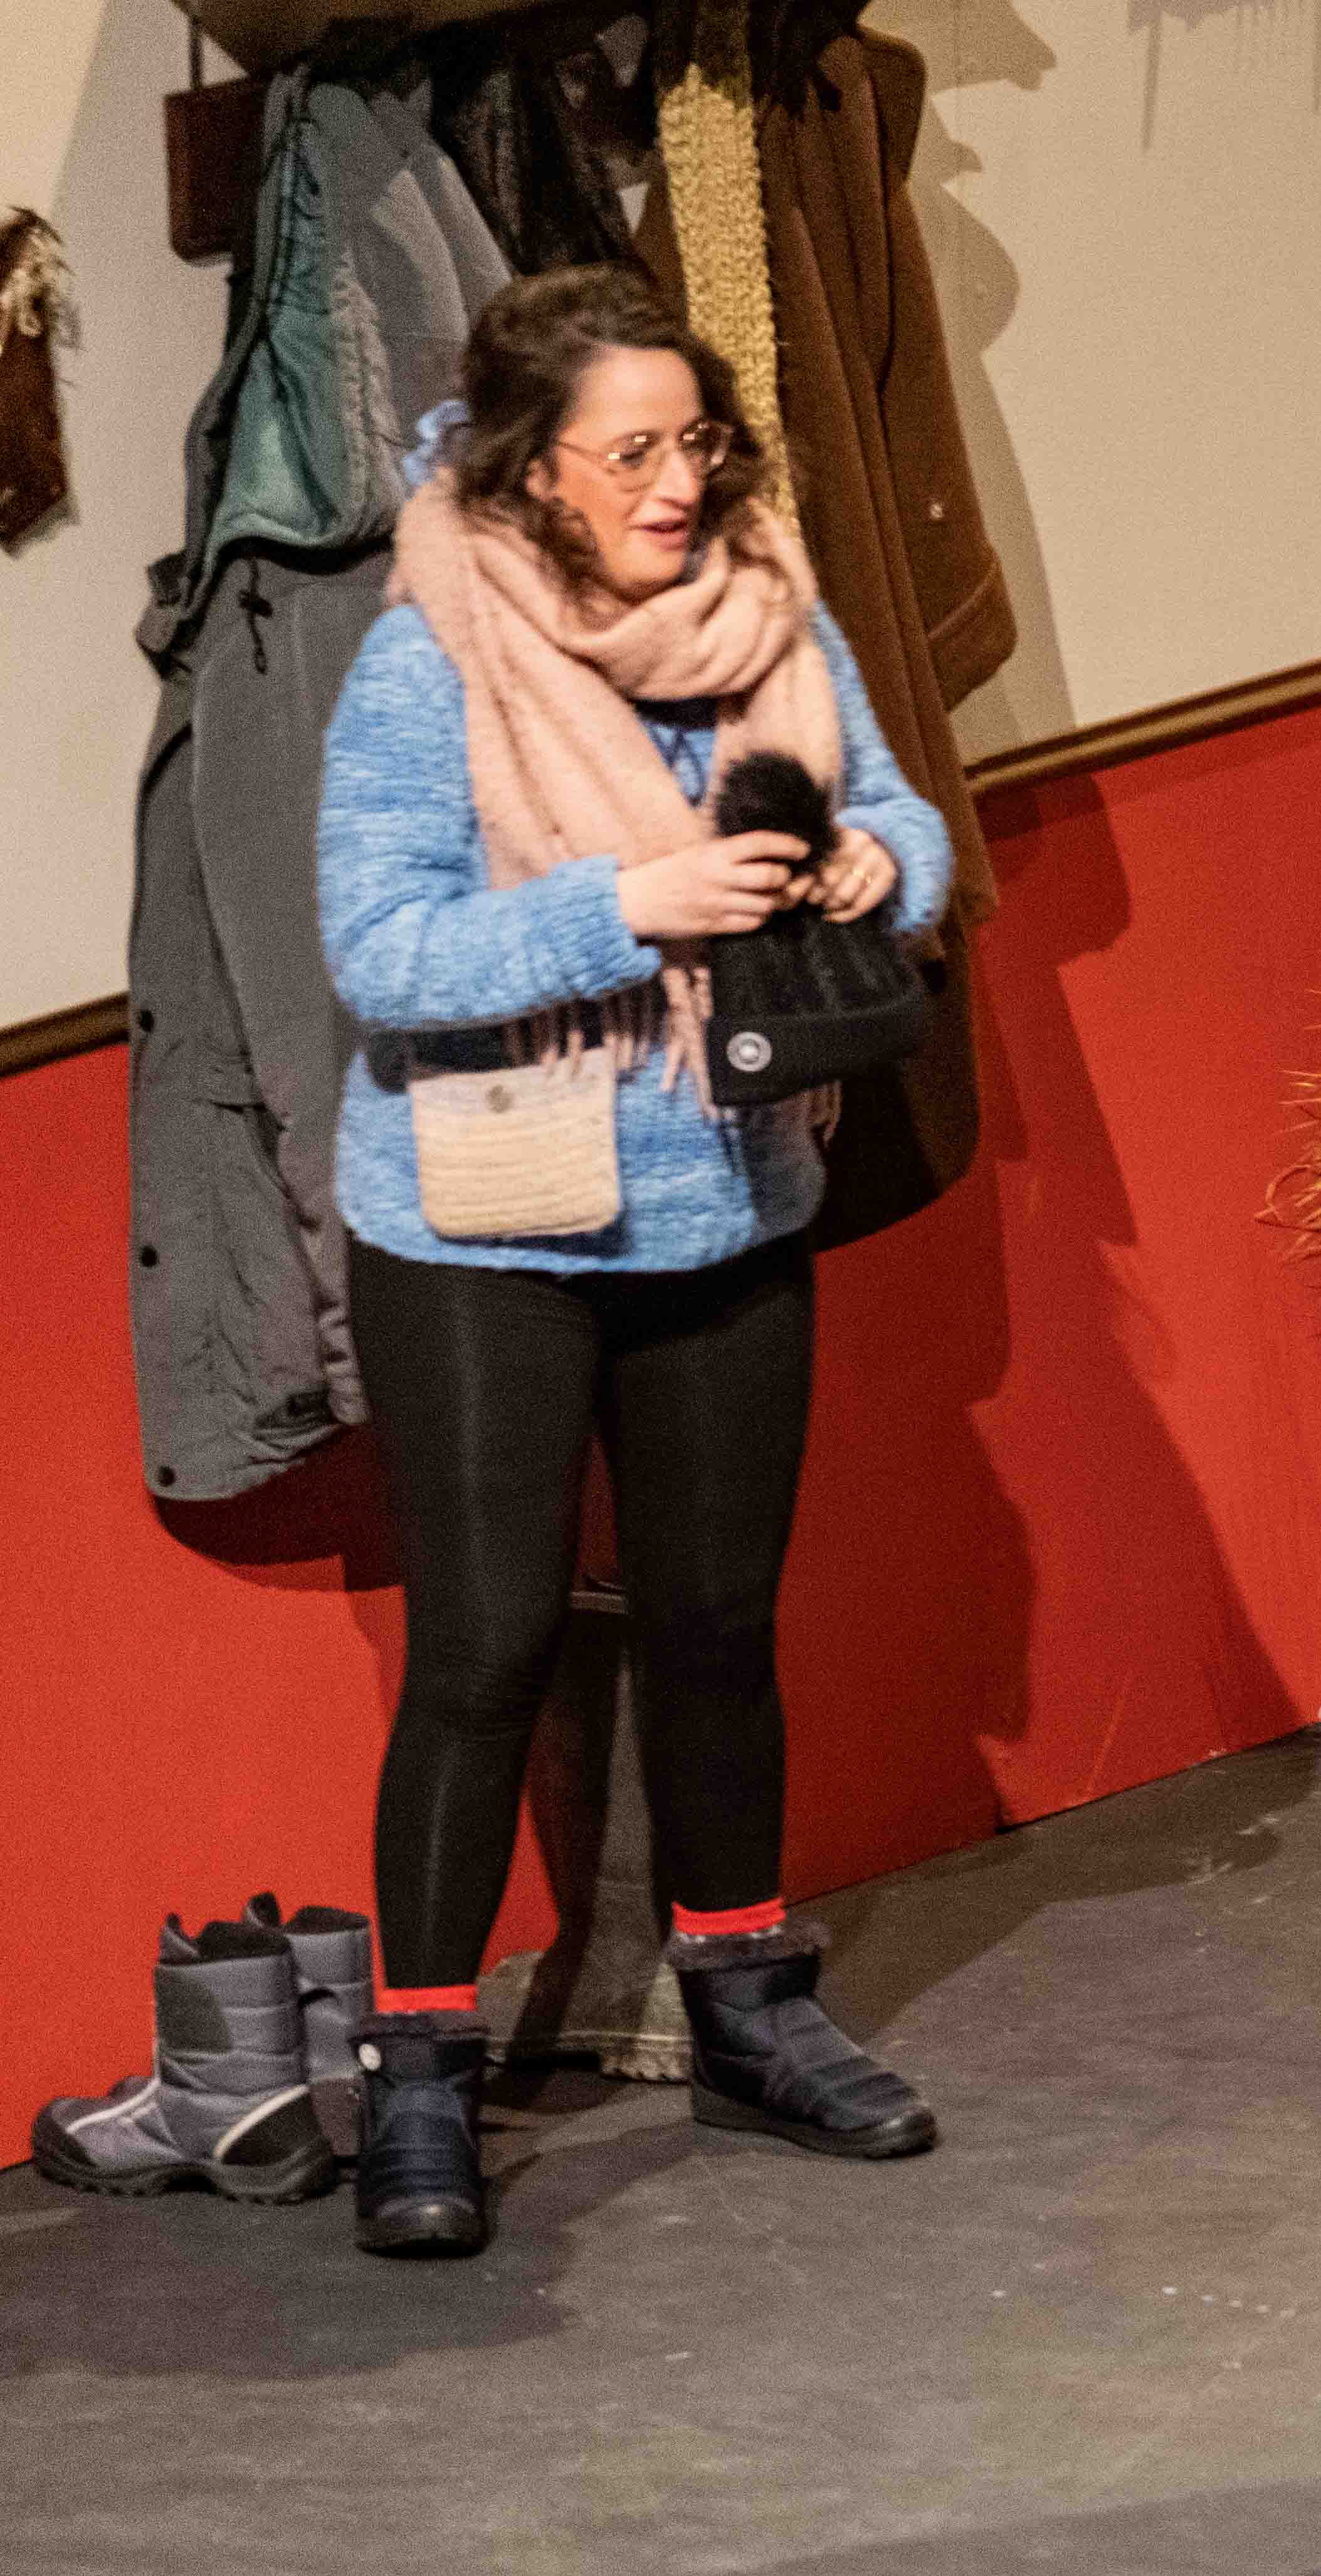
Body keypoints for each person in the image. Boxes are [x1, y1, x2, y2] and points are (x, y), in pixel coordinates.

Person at [315, 266, 953, 2262]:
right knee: (486, 1643)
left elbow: (903, 813)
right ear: (532, 470)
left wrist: (879, 865)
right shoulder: (432, 653)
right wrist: (632, 903)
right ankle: (422, 2071)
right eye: (632, 453)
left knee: (716, 1620)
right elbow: (382, 951)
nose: (681, 483)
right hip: (484, 1218)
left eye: (698, 441)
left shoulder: (773, 608)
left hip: (728, 1188)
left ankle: (747, 1999)